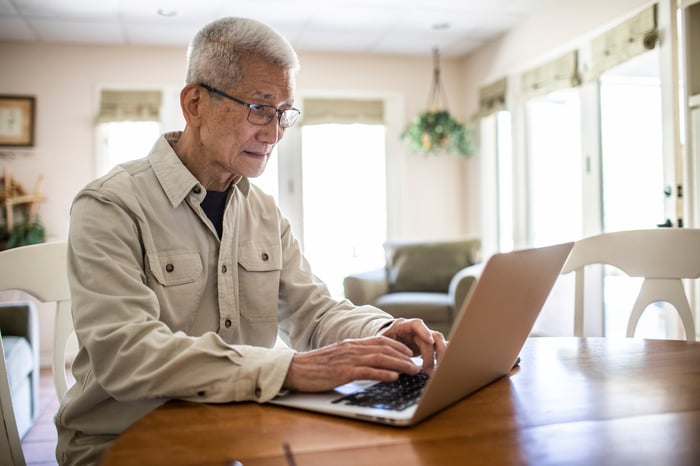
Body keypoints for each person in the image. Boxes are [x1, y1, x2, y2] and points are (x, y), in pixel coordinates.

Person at [55, 16, 446, 465]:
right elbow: (127, 354)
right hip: (123, 446)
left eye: (283, 113)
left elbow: (312, 313)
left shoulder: (263, 211)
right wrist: (291, 369)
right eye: (259, 108)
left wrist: (381, 332)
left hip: (235, 436)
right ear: (195, 104)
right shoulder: (109, 206)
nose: (275, 132)